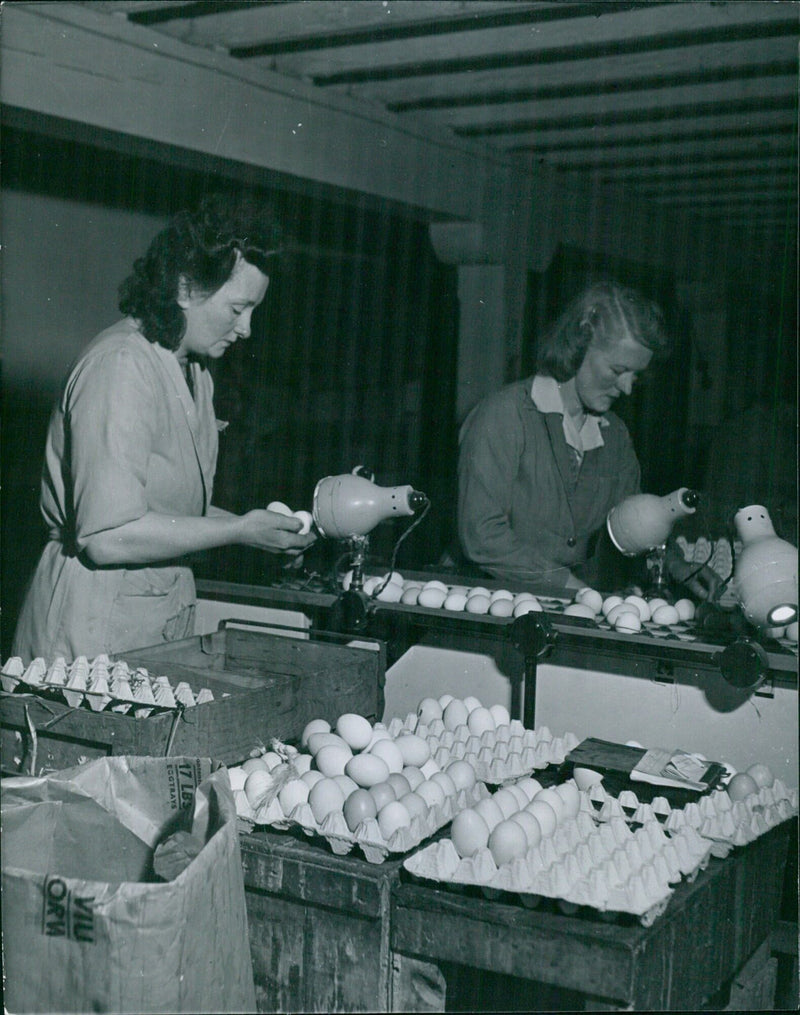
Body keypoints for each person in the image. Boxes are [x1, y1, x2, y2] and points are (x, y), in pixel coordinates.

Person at [12, 194, 316, 662]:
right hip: (91, 621)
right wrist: (238, 531)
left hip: (148, 615)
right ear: (184, 287)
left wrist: (258, 532)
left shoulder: (191, 370)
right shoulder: (120, 365)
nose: (247, 328)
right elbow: (107, 535)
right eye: (238, 309)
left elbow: (168, 509)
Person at [457, 280, 717, 598]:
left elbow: (632, 524)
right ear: (579, 343)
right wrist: (570, 587)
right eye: (617, 369)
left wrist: (677, 565)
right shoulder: (504, 415)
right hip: (487, 601)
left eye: (635, 375)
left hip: (571, 607)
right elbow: (482, 537)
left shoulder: (615, 436)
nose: (627, 388)